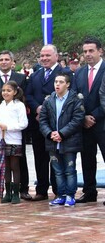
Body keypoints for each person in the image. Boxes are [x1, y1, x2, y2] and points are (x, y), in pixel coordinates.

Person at [26, 44, 74, 201]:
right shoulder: (35, 75)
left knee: (57, 156)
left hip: (58, 124)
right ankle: (41, 189)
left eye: (48, 55)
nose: (44, 58)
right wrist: (38, 108)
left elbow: (71, 96)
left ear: (56, 56)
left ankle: (59, 190)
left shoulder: (65, 73)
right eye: (42, 55)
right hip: (38, 122)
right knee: (39, 156)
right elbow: (29, 95)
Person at [0, 50, 32, 201]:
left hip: (15, 130)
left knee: (18, 159)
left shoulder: (21, 78)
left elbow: (25, 99)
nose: (3, 62)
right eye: (1, 59)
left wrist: (9, 123)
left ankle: (22, 189)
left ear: (12, 62)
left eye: (6, 59)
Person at [39, 74, 84, 207]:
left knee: (69, 170)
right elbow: (43, 120)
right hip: (53, 141)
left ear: (68, 84)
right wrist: (49, 133)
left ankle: (70, 195)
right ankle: (60, 194)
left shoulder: (75, 99)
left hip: (69, 141)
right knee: (57, 171)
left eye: (61, 82)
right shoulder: (49, 100)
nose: (57, 84)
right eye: (56, 82)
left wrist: (62, 133)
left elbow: (77, 119)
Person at [75, 38, 105, 203]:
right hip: (85, 124)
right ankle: (89, 191)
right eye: (85, 51)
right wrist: (84, 116)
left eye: (91, 51)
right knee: (87, 159)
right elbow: (74, 97)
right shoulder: (79, 72)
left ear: (100, 51)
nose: (87, 54)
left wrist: (94, 116)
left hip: (102, 121)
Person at [0, 81, 28, 204]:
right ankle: (7, 192)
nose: (5, 93)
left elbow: (23, 123)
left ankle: (16, 192)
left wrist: (8, 127)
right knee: (5, 166)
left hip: (14, 139)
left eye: (9, 90)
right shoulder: (0, 106)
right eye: (4, 90)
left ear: (15, 92)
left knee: (15, 165)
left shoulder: (19, 105)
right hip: (2, 139)